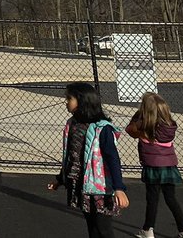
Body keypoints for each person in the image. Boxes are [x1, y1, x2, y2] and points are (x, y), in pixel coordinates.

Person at [46, 81, 130, 237]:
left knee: (103, 229)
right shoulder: (72, 124)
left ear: (81, 100)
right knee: (92, 227)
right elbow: (71, 156)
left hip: (100, 189)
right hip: (81, 186)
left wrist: (119, 188)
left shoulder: (102, 128)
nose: (66, 102)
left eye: (69, 98)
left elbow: (113, 158)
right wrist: (60, 178)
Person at [125, 91, 183, 238]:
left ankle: (148, 229)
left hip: (152, 167)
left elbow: (130, 130)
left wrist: (137, 116)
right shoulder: (168, 126)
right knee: (171, 198)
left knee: (152, 199)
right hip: (169, 166)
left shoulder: (143, 125)